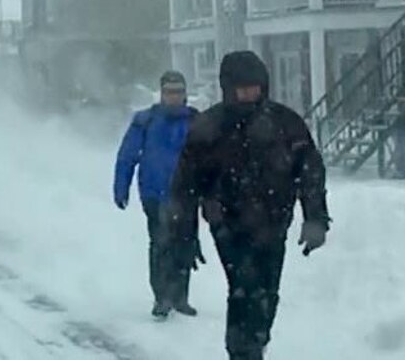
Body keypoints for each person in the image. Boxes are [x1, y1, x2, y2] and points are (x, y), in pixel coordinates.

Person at [164, 50, 330, 360]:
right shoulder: (209, 127)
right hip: (228, 223)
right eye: (242, 88)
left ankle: (257, 341)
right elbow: (185, 186)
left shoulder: (285, 122)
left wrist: (315, 217)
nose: (249, 94)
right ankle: (242, 352)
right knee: (243, 287)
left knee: (268, 291)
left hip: (274, 222)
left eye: (255, 87)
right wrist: (184, 236)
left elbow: (310, 170)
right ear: (228, 88)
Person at [113, 70, 202, 319]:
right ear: (162, 94)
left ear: (185, 95)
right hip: (155, 193)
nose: (174, 97)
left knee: (185, 245)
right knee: (162, 243)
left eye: (178, 92)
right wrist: (121, 186)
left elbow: (210, 157)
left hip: (187, 193)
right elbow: (127, 155)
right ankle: (162, 297)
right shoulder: (146, 120)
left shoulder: (196, 121)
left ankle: (180, 297)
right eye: (169, 92)